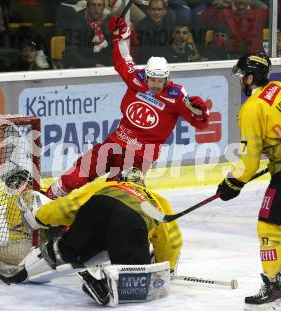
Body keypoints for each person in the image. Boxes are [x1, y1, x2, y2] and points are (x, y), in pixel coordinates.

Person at [43, 15, 210, 199]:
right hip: (115, 141)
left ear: (167, 79)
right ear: (146, 76)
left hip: (140, 156)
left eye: (160, 80)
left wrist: (200, 110)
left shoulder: (177, 95)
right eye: (152, 79)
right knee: (79, 172)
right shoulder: (137, 79)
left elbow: (200, 123)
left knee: (112, 196)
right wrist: (119, 34)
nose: (155, 84)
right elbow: (123, 60)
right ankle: (46, 200)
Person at [17, 167, 181, 305]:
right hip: (130, 221)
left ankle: (65, 250)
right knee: (134, 276)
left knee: (72, 246)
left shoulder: (109, 185)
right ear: (142, 184)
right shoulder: (157, 200)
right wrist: (167, 267)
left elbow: (70, 205)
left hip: (96, 208)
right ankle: (106, 284)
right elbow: (171, 241)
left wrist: (41, 216)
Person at [216, 53, 281, 311]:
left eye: (242, 75)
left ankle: (272, 289)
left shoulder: (251, 108)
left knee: (267, 226)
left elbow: (249, 160)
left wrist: (232, 183)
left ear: (250, 77)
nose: (241, 80)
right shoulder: (279, 88)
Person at [60, 0, 113, 68]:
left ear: (103, 8)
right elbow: (71, 53)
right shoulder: (76, 22)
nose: (96, 9)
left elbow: (113, 50)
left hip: (105, 68)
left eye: (99, 5)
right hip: (83, 67)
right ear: (87, 6)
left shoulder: (109, 22)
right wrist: (93, 65)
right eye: (93, 5)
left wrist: (107, 67)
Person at [134, 0, 176, 64]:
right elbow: (144, 53)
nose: (156, 12)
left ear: (164, 11)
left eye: (159, 9)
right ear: (148, 11)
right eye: (153, 9)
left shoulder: (170, 25)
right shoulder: (141, 27)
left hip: (168, 64)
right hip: (148, 64)